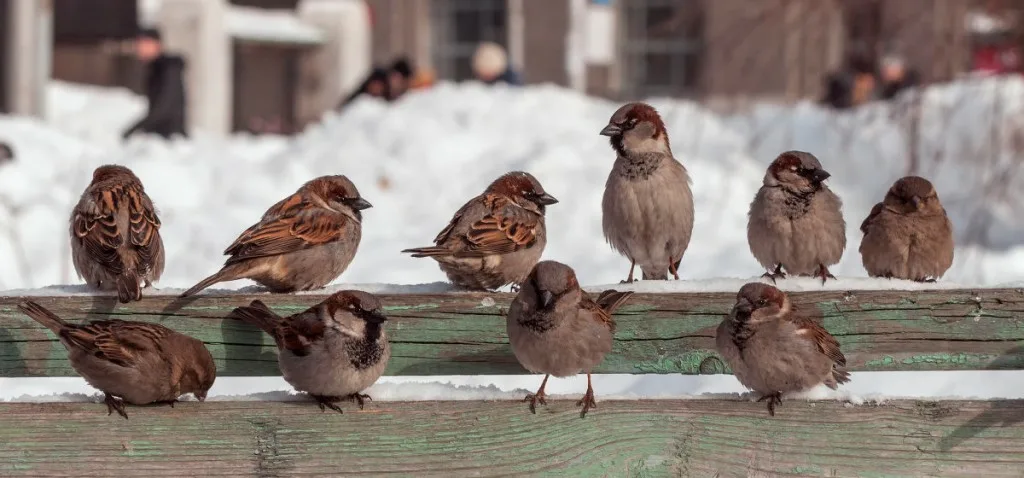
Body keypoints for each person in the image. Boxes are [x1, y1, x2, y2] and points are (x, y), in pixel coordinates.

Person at [122, 28, 188, 140]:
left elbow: (164, 107)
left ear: (156, 44)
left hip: (169, 139)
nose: (139, 48)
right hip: (159, 136)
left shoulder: (168, 69)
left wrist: (137, 129)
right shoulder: (155, 69)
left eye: (144, 44)